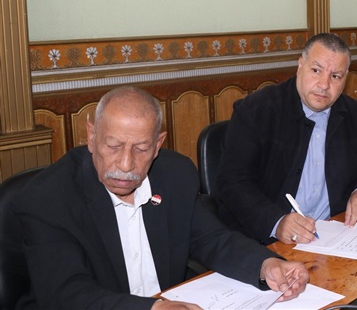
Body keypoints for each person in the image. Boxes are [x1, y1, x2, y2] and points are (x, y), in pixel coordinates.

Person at [12, 87, 308, 310]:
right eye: (113, 146)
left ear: (158, 145)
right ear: (91, 137)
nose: (125, 164)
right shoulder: (48, 198)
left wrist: (266, 265)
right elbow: (65, 294)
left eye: (141, 149)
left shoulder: (175, 174)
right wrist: (153, 307)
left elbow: (211, 239)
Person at [216, 33, 357, 246]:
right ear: (300, 65)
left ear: (345, 78)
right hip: (265, 241)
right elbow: (232, 182)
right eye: (316, 70)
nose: (324, 84)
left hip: (336, 235)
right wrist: (276, 222)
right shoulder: (257, 111)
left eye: (335, 76)